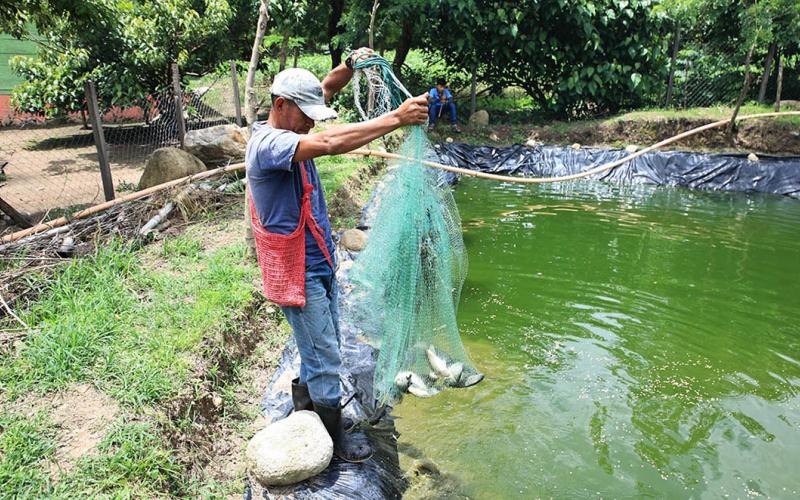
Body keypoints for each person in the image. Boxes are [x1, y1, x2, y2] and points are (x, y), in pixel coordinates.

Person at [245, 48, 429, 463]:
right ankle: (331, 439)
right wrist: (396, 119)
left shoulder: (294, 122)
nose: (313, 119)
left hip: (319, 258)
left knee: (316, 344)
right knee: (325, 353)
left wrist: (348, 66)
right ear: (280, 105)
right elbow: (327, 141)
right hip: (296, 268)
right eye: (305, 113)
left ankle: (304, 409)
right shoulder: (270, 144)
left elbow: (325, 89)